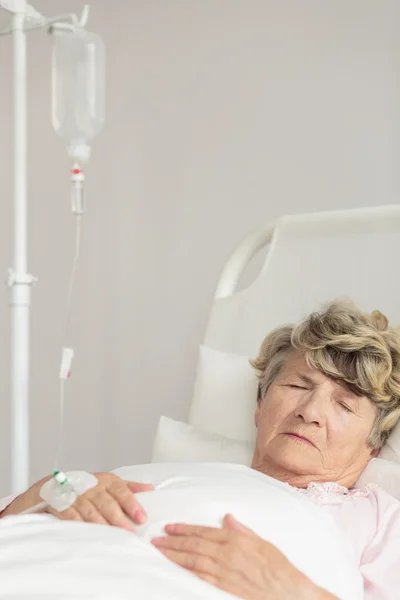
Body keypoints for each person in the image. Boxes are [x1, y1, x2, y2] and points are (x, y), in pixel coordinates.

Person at [1, 300, 400, 600]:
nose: (310, 412)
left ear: (374, 444)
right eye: (298, 386)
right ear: (260, 406)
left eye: (345, 405)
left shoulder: (377, 519)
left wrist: (290, 590)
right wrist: (50, 494)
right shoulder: (177, 474)